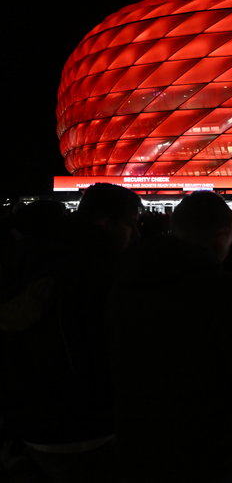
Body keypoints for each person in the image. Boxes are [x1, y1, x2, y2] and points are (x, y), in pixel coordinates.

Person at [108, 191, 232, 483]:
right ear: (224, 234)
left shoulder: (122, 277)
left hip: (133, 439)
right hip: (207, 445)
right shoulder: (224, 290)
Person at [1, 183, 141, 482]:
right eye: (131, 223)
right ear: (106, 223)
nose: (135, 234)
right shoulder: (102, 270)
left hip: (31, 421)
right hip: (90, 424)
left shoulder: (27, 258)